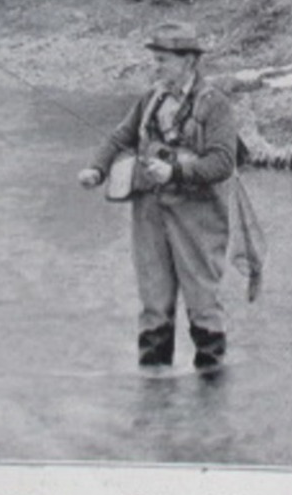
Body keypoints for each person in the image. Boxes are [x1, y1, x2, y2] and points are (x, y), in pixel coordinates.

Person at [77, 21, 237, 370]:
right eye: (157, 59)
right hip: (149, 212)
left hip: (199, 217)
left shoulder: (216, 105)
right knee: (153, 302)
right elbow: (121, 137)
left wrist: (176, 171)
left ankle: (210, 391)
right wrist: (97, 169)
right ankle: (155, 391)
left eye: (164, 60)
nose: (157, 67)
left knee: (202, 301)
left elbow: (224, 161)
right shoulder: (150, 98)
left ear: (189, 62)